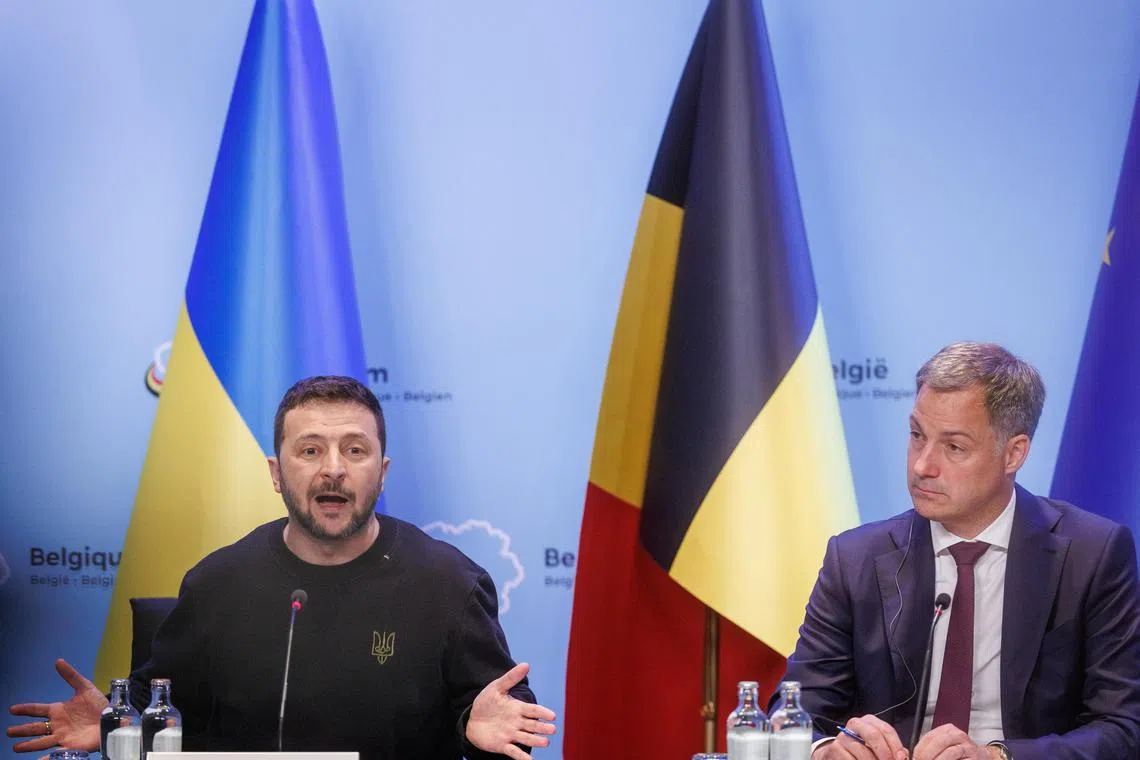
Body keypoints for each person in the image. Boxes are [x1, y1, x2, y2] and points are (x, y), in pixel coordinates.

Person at [8, 375, 556, 760]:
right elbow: (163, 721)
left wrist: (472, 729)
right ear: (276, 471)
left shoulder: (450, 585)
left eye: (356, 451)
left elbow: (504, 727)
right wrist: (116, 724)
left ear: (383, 472)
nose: (334, 470)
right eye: (311, 450)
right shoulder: (217, 586)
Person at [776, 342, 1140, 760]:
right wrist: (825, 750)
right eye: (917, 436)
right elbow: (795, 711)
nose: (922, 466)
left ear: (1013, 453)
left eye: (954, 447)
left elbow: (1123, 727)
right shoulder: (854, 559)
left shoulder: (1091, 556)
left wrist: (997, 757)